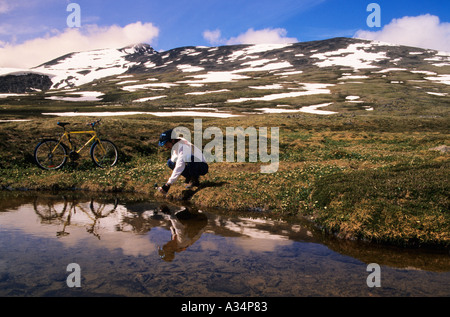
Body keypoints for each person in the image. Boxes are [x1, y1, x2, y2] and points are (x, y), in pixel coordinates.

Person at [157, 128, 208, 195]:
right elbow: (176, 161)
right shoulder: (176, 143)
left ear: (172, 140)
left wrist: (168, 184)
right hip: (192, 164)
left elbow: (180, 165)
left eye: (166, 144)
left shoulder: (183, 146)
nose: (166, 147)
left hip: (202, 166)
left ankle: (194, 180)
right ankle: (189, 177)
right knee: (170, 162)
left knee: (190, 158)